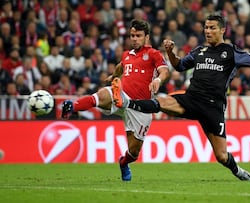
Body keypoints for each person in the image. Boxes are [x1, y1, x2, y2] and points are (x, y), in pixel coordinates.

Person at [114, 15, 250, 181]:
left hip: (213, 107)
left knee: (222, 156)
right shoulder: (199, 51)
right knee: (161, 102)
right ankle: (127, 102)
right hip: (191, 99)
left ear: (222, 30)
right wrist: (170, 52)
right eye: (206, 28)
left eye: (212, 28)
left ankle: (238, 171)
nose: (208, 31)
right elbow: (179, 66)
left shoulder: (231, 51)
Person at [61, 19, 170, 181]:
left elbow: (164, 72)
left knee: (134, 152)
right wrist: (115, 75)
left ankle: (124, 163)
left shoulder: (154, 54)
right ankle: (72, 107)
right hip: (122, 96)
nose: (134, 39)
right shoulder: (127, 55)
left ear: (146, 37)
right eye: (132, 35)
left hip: (140, 107)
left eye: (138, 36)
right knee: (103, 95)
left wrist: (158, 80)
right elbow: (121, 66)